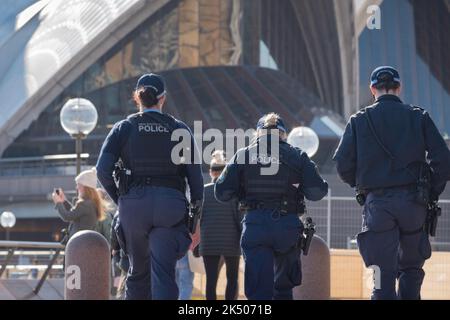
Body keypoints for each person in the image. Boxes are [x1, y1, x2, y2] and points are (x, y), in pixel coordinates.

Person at [333, 66, 450, 300]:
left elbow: (342, 164)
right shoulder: (419, 116)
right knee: (411, 268)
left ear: (372, 89)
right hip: (414, 203)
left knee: (380, 271)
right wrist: (431, 192)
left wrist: (360, 188)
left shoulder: (359, 120)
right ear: (399, 87)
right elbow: (443, 159)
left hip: (378, 204)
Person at [96, 73, 204, 300]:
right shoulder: (179, 129)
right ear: (162, 98)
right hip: (170, 207)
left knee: (137, 273)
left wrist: (121, 199)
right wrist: (195, 221)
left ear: (137, 98)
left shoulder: (124, 128)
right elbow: (196, 180)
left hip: (134, 206)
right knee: (164, 274)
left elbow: (102, 170)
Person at [215, 113, 328, 300]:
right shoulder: (297, 155)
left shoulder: (243, 155)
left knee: (259, 291)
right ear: (283, 135)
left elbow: (222, 193)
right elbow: (317, 192)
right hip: (287, 227)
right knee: (283, 290)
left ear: (258, 134)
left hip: (255, 225)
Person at [200, 150, 242, 300]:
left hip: (209, 242)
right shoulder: (234, 193)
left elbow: (199, 219)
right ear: (226, 172)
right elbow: (239, 219)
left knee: (211, 281)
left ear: (211, 172)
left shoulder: (203, 192)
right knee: (232, 279)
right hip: (232, 241)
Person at [52, 168, 105, 240]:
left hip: (78, 243)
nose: (77, 187)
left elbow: (67, 216)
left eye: (78, 185)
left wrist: (58, 202)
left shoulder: (84, 204)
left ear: (85, 187)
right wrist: (64, 201)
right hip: (85, 241)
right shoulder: (91, 202)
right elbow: (75, 213)